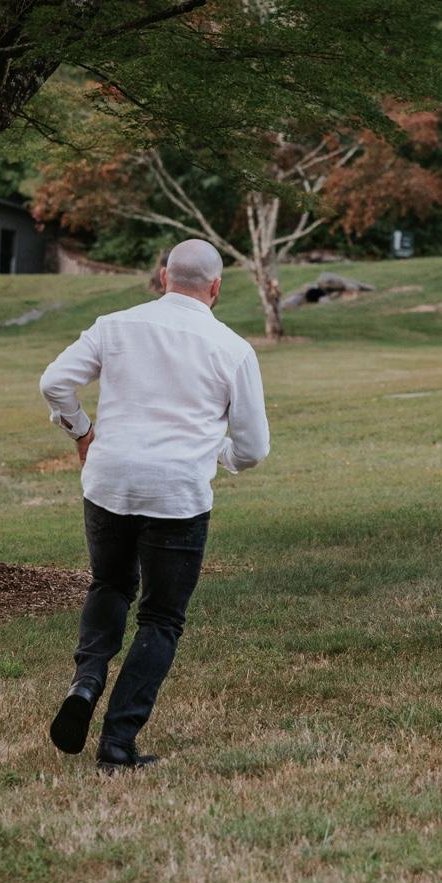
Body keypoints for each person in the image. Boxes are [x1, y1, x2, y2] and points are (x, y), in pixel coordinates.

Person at [39, 239, 270, 770]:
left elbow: (54, 383)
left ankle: (85, 682)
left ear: (164, 277)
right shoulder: (233, 349)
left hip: (109, 481)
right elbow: (253, 448)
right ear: (216, 288)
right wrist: (214, 452)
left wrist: (81, 430)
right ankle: (117, 743)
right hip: (176, 493)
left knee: (110, 584)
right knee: (161, 618)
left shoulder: (114, 326)